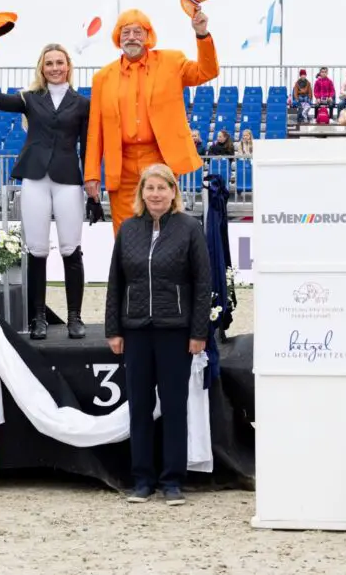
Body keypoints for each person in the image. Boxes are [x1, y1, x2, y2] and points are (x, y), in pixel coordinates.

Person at [0, 40, 99, 340]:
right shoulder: (29, 98)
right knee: (37, 250)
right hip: (34, 178)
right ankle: (38, 318)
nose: (55, 68)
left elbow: (88, 146)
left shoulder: (83, 104)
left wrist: (93, 189)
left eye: (60, 62)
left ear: (68, 66)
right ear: (42, 68)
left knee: (71, 249)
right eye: (49, 63)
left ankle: (74, 317)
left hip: (68, 179)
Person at [104, 164, 210, 505]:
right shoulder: (129, 230)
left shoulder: (189, 228)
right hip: (135, 331)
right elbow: (115, 283)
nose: (155, 194)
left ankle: (173, 480)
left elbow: (202, 284)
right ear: (142, 193)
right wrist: (113, 329)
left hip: (175, 331)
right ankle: (142, 479)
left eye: (162, 188)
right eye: (149, 188)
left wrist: (198, 332)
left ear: (173, 192)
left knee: (175, 407)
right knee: (139, 407)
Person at [84, 7, 218, 236]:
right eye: (126, 32)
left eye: (138, 31)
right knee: (125, 235)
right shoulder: (102, 78)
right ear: (118, 37)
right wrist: (92, 174)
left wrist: (202, 34)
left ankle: (165, 273)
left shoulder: (172, 61)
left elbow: (207, 71)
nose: (132, 37)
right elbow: (95, 131)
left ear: (148, 36)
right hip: (121, 166)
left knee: (164, 230)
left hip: (160, 160)